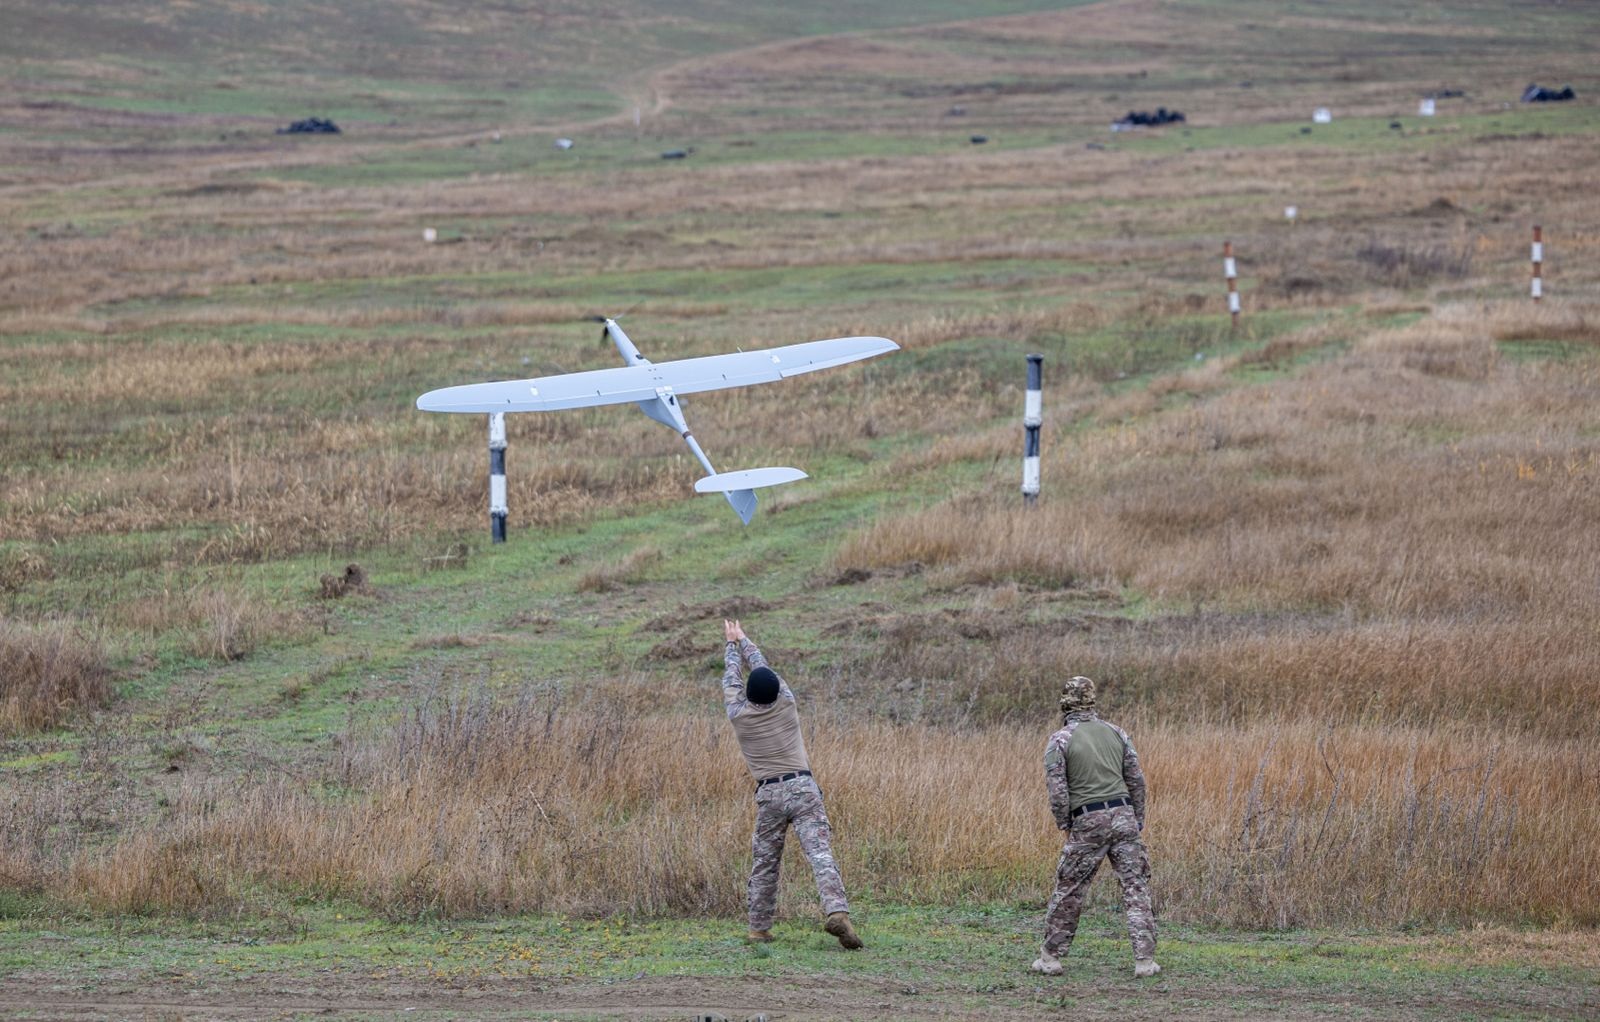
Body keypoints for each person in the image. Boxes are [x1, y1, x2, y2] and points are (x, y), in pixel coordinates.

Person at [719, 618, 862, 950]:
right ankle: (837, 910)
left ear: (748, 694)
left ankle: (759, 928)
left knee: (765, 861)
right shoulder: (786, 701)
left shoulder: (738, 714)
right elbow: (762, 666)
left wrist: (730, 645)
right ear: (775, 688)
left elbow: (731, 678)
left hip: (768, 793)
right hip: (802, 787)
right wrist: (745, 640)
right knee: (820, 854)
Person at [1033, 675, 1159, 978]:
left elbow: (1058, 790)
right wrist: (1136, 819)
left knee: (1070, 888)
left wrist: (1065, 823)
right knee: (1135, 887)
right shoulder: (1117, 733)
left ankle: (1050, 958)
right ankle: (1145, 961)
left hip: (1088, 820)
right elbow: (1136, 781)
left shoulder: (1060, 740)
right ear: (1092, 702)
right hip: (1125, 815)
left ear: (1065, 704)